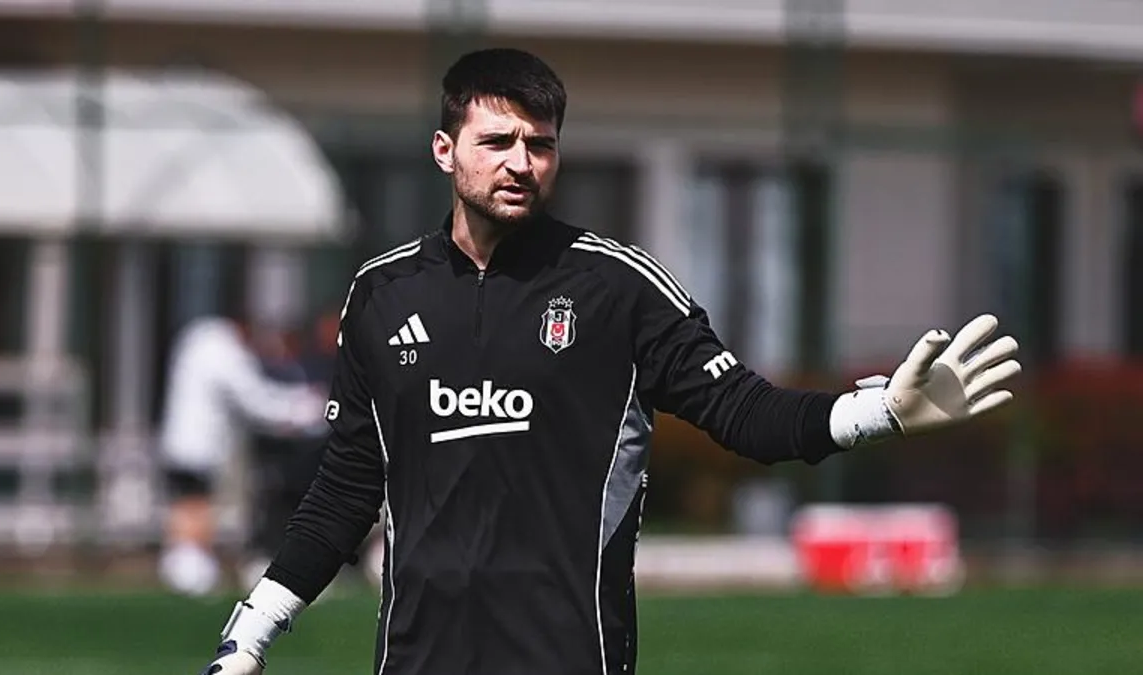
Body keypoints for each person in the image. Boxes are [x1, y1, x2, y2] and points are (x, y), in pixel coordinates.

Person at [196, 48, 1021, 675]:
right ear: (444, 150)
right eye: (497, 141)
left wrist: (880, 411)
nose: (521, 162)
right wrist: (253, 630)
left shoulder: (617, 287)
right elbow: (345, 488)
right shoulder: (381, 294)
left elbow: (749, 415)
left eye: (540, 144)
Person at [157, 315, 325, 597]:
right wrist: (297, 407)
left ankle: (189, 574)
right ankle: (189, 576)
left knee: (190, 506)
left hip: (183, 442)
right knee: (194, 508)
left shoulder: (199, 340)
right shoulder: (220, 349)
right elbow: (252, 398)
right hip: (199, 447)